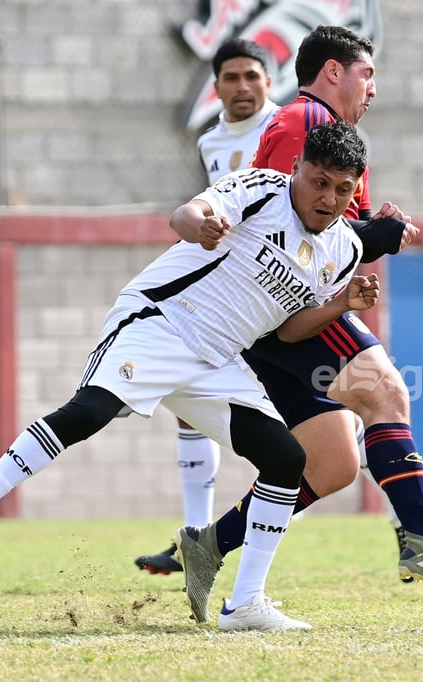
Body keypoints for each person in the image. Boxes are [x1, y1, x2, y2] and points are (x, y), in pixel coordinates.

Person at [0, 122, 380, 631]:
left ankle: (245, 603)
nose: (328, 198)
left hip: (218, 360)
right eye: (319, 182)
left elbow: (291, 331)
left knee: (286, 459)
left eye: (343, 189)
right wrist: (198, 226)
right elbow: (185, 214)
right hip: (160, 323)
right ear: (297, 169)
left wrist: (341, 304)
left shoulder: (344, 252)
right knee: (89, 411)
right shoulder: (260, 189)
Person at [174, 25, 423, 627]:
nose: (373, 87)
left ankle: (209, 546)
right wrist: (378, 239)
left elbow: (344, 225)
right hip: (288, 304)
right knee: (387, 391)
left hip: (288, 309)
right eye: (366, 73)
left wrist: (380, 227)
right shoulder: (302, 123)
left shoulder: (336, 137)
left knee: (332, 466)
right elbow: (285, 222)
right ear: (332, 73)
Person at [134, 38, 281, 577]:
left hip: (278, 292)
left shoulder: (285, 127)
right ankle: (193, 537)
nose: (243, 87)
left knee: (309, 420)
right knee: (189, 407)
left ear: (270, 81)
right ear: (214, 86)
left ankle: (372, 459)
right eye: (231, 78)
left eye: (252, 77)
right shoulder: (210, 142)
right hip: (226, 293)